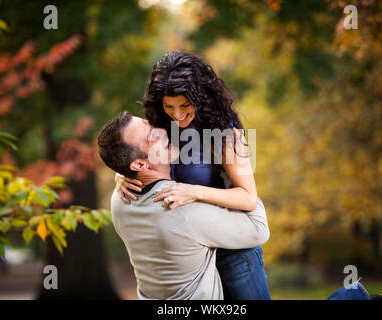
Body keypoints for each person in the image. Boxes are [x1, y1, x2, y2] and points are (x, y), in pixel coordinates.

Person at [115, 50, 271, 299]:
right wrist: (123, 175)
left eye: (185, 105)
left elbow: (248, 198)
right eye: (169, 106)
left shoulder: (224, 133)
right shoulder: (161, 125)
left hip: (233, 252)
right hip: (192, 256)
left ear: (202, 97)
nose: (177, 114)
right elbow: (141, 159)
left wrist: (194, 191)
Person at [97, 111, 270, 299]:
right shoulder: (180, 207)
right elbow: (258, 228)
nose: (163, 130)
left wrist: (122, 173)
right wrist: (238, 164)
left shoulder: (119, 200)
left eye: (151, 124)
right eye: (152, 137)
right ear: (139, 164)